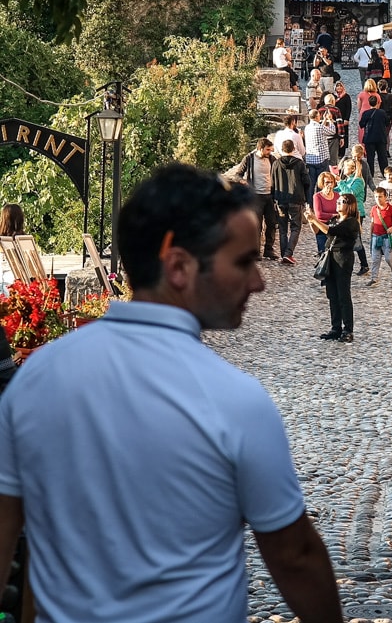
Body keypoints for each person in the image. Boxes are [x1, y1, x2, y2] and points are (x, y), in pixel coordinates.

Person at [0, 163, 344, 621]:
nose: (258, 282)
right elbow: (294, 556)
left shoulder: (38, 378)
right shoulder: (233, 400)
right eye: (243, 261)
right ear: (179, 266)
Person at [317, 193, 361, 343]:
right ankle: (336, 328)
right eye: (338, 201)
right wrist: (311, 221)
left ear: (349, 205)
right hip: (330, 258)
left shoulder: (352, 222)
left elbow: (331, 231)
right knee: (332, 295)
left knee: (343, 295)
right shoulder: (335, 219)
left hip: (343, 259)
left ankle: (348, 330)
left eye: (341, 201)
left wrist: (313, 219)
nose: (338, 203)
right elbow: (321, 232)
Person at [226, 139, 277, 259]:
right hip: (256, 196)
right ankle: (256, 251)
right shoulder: (249, 159)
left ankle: (269, 250)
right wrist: (244, 182)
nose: (270, 152)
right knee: (257, 225)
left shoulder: (272, 159)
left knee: (271, 224)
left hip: (269, 195)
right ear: (260, 149)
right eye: (267, 149)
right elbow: (237, 175)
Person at [271, 139, 311, 265]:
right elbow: (307, 181)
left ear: (282, 149)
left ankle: (284, 255)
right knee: (295, 227)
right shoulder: (299, 163)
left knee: (283, 229)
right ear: (294, 149)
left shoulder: (276, 163)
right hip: (296, 198)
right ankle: (288, 254)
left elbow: (272, 182)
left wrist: (273, 198)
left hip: (280, 198)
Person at [336, 158, 369, 276]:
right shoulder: (348, 180)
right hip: (347, 212)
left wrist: (340, 182)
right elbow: (339, 190)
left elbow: (350, 195)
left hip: (356, 213)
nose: (343, 169)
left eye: (345, 167)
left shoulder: (359, 181)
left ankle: (364, 264)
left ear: (353, 169)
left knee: (356, 239)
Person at [367, 187, 392, 288]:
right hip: (376, 237)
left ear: (385, 197)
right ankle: (374, 278)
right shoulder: (374, 209)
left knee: (388, 258)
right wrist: (371, 235)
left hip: (386, 237)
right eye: (376, 197)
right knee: (375, 259)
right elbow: (372, 223)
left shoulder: (390, 208)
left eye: (380, 197)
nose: (378, 199)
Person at [359, 95, 389, 183]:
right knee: (382, 157)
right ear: (377, 103)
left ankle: (370, 174)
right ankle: (385, 173)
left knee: (370, 158)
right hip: (381, 137)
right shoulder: (382, 113)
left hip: (369, 138)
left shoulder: (366, 113)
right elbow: (387, 123)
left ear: (369, 103)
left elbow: (361, 124)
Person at [308, 171, 340, 255]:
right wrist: (334, 215)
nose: (329, 184)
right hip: (322, 227)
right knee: (323, 253)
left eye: (331, 182)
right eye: (327, 182)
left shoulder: (337, 195)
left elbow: (341, 211)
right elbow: (319, 214)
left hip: (335, 227)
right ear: (322, 183)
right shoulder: (317, 196)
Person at [304, 109, 330, 205]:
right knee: (321, 183)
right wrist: (329, 120)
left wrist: (323, 121)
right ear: (316, 117)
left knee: (311, 184)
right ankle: (319, 203)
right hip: (321, 159)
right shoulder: (319, 127)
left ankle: (310, 204)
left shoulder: (307, 128)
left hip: (310, 159)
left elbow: (320, 129)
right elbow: (332, 131)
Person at [317, 94, 344, 170]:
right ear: (333, 101)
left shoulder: (320, 110)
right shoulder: (336, 110)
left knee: (323, 159)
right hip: (333, 138)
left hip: (323, 137)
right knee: (333, 160)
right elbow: (339, 124)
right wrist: (341, 137)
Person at [356, 79, 381, 144]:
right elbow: (378, 107)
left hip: (363, 113)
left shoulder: (361, 94)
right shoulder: (377, 95)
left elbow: (359, 107)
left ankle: (362, 146)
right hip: (373, 114)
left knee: (362, 131)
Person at [377, 79, 392, 153]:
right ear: (387, 87)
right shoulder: (391, 96)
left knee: (381, 134)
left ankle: (382, 149)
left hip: (379, 117)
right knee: (386, 134)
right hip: (389, 117)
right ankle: (387, 149)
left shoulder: (377, 96)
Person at [334, 82, 352, 158]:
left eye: (340, 86)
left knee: (344, 134)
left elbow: (349, 108)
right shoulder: (334, 96)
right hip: (335, 120)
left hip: (343, 119)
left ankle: (342, 152)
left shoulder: (346, 97)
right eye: (337, 86)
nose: (339, 88)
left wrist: (347, 119)